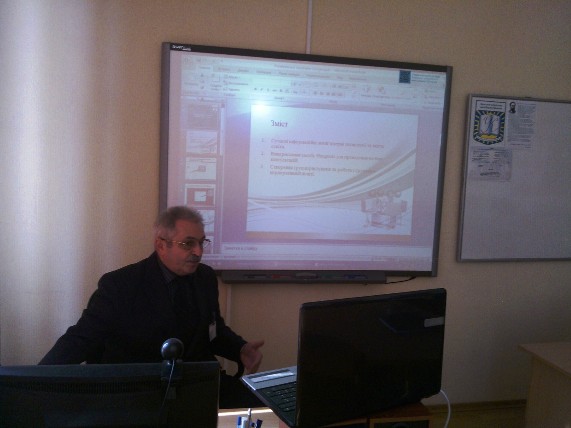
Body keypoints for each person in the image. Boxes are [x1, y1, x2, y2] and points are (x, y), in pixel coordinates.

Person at [39, 205, 265, 408]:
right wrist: (34, 381)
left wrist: (240, 348)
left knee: (264, 404)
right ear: (161, 245)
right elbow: (81, 339)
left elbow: (213, 331)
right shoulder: (121, 285)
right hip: (141, 393)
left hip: (197, 384)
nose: (198, 251)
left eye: (201, 242)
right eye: (188, 243)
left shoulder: (205, 277)